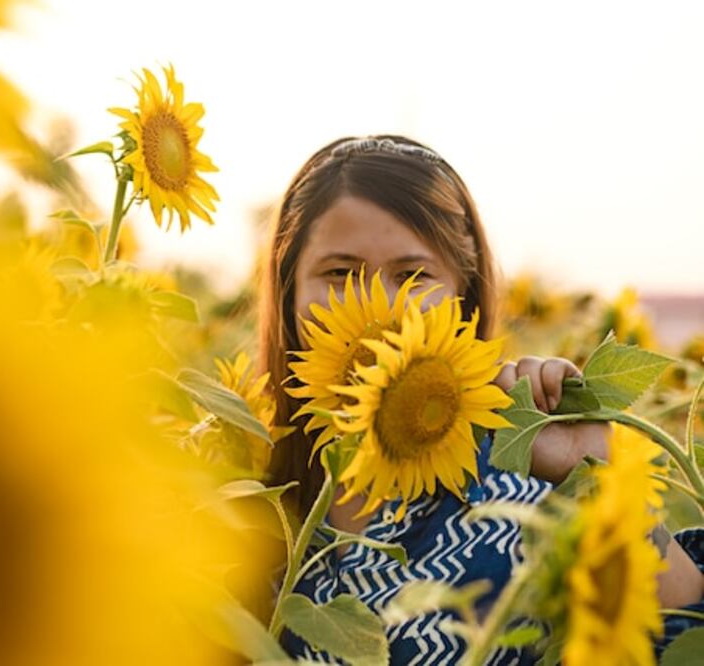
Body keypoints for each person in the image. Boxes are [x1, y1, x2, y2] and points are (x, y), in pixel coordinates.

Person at [258, 135, 704, 663]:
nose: (379, 307)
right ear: (289, 291)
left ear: (462, 295)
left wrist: (597, 478)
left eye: (413, 276)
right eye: (339, 273)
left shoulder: (524, 496)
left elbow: (681, 641)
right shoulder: (242, 484)